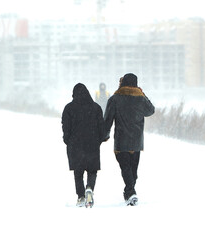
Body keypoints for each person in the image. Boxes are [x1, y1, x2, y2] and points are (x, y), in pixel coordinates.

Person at [104, 73, 155, 206]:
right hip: (137, 142)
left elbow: (107, 120)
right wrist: (142, 94)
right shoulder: (140, 99)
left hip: (121, 141)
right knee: (133, 171)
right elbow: (151, 110)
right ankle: (130, 192)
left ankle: (130, 192)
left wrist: (104, 135)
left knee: (126, 168)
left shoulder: (115, 99)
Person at [62, 83, 105, 208]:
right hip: (92, 144)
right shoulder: (96, 108)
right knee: (92, 170)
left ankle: (80, 196)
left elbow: (66, 128)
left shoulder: (69, 108)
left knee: (78, 172)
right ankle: (90, 188)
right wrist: (99, 140)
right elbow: (101, 129)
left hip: (75, 145)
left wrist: (68, 141)